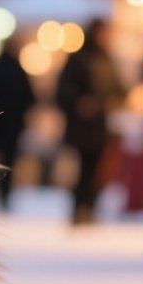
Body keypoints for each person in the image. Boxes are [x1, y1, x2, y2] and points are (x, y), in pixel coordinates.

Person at [56, 18, 126, 225]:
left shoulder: (107, 59)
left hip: (101, 125)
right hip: (82, 127)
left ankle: (90, 207)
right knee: (83, 169)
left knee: (97, 170)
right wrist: (79, 102)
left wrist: (115, 99)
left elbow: (118, 88)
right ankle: (79, 208)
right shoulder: (79, 59)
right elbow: (64, 90)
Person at [0, 33, 36, 209]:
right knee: (8, 159)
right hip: (12, 123)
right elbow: (30, 97)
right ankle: (4, 192)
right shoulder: (18, 69)